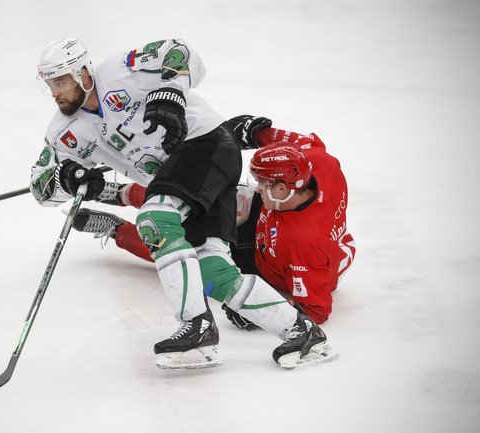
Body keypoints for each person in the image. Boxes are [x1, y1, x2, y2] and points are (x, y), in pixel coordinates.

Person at [30, 38, 336, 370]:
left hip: (206, 145)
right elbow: (40, 188)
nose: (55, 93)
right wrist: (66, 178)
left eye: (60, 82)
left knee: (155, 219)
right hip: (183, 180)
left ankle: (197, 327)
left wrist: (171, 93)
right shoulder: (62, 132)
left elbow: (179, 50)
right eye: (50, 85)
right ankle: (303, 334)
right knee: (214, 271)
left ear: (84, 74)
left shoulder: (121, 71)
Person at [75, 116, 356, 326]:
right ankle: (121, 194)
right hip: (272, 218)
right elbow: (288, 143)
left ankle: (116, 229)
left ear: (283, 188)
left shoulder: (304, 245)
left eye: (262, 183)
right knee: (201, 196)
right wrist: (253, 131)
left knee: (184, 251)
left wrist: (261, 313)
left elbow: (317, 309)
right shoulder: (319, 163)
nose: (256, 186)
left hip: (257, 260)